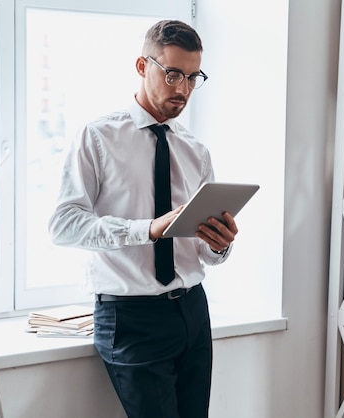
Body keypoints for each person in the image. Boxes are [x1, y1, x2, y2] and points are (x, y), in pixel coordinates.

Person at [48, 19, 238, 418]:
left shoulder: (195, 151)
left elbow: (203, 252)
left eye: (191, 77)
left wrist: (220, 244)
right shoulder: (97, 137)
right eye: (172, 74)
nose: (183, 89)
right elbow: (64, 224)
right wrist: (146, 230)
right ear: (141, 66)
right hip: (130, 316)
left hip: (192, 312)